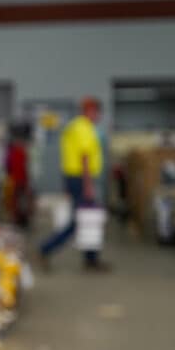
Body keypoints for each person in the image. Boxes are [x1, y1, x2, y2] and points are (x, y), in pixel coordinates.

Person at [39, 96, 109, 271]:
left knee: (86, 218)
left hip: (74, 178)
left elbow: (69, 155)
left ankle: (91, 259)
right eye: (97, 112)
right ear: (89, 111)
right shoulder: (84, 128)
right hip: (82, 178)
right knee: (80, 220)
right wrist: (88, 186)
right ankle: (46, 248)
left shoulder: (74, 127)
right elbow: (84, 157)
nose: (98, 116)